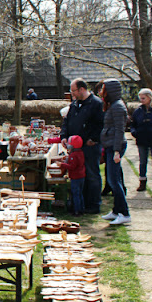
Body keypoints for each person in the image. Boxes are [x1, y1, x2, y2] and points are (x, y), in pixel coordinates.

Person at [60, 78, 104, 214]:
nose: (72, 94)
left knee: (92, 174)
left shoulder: (96, 104)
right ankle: (81, 203)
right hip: (76, 147)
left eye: (73, 91)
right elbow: (67, 122)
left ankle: (94, 204)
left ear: (82, 89)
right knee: (79, 176)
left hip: (89, 146)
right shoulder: (74, 104)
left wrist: (94, 139)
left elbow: (101, 124)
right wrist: (64, 136)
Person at [99, 79, 131, 225]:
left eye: (103, 89)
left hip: (115, 146)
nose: (101, 92)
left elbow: (119, 130)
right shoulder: (112, 106)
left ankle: (124, 213)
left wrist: (117, 151)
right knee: (113, 179)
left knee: (114, 181)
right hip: (110, 145)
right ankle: (116, 211)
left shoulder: (118, 107)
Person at [59, 135, 86, 216]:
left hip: (75, 177)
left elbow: (72, 167)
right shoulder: (80, 153)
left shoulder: (73, 155)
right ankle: (81, 209)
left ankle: (76, 211)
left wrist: (62, 164)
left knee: (75, 194)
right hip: (81, 176)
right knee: (80, 194)